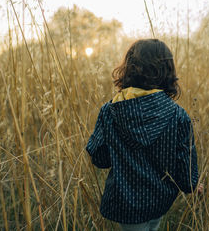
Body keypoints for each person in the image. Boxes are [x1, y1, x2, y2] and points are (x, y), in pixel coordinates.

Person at [86, 39, 201, 231]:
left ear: (129, 69)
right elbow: (184, 163)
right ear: (167, 71)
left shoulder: (110, 111)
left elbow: (100, 158)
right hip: (160, 201)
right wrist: (192, 184)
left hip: (126, 205)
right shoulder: (178, 115)